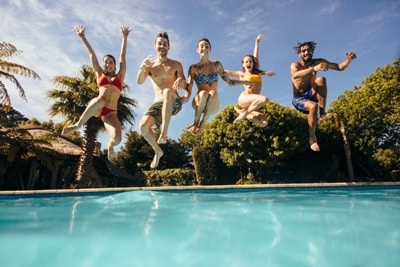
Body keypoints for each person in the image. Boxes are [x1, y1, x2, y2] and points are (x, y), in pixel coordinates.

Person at [62, 25, 132, 160]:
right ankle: (78, 125)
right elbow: (91, 54)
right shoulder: (99, 74)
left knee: (117, 139)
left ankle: (110, 146)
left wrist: (125, 37)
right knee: (100, 100)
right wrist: (82, 37)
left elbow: (123, 56)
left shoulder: (120, 77)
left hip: (110, 113)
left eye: (111, 62)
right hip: (99, 107)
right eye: (106, 62)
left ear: (114, 65)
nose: (108, 64)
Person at [291, 41, 357, 151]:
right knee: (313, 106)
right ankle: (312, 139)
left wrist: (348, 60)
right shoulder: (296, 65)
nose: (306, 52)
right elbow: (295, 75)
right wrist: (313, 69)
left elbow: (339, 67)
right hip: (299, 98)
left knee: (321, 80)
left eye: (308, 50)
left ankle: (322, 114)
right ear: (300, 54)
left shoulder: (318, 62)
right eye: (303, 51)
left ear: (312, 51)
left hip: (311, 93)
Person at [137, 32, 189, 169]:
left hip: (174, 102)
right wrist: (142, 68)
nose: (162, 46)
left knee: (167, 91)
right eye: (159, 43)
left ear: (169, 47)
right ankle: (158, 151)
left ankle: (163, 132)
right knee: (143, 127)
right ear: (155, 46)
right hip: (158, 103)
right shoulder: (150, 67)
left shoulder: (176, 64)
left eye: (165, 44)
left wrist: (180, 81)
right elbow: (139, 81)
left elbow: (185, 84)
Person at [187, 38, 249, 135]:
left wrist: (245, 82)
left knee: (213, 92)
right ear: (197, 50)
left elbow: (229, 82)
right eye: (201, 46)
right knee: (203, 93)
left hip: (213, 103)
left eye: (206, 46)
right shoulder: (193, 68)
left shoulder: (217, 65)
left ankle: (202, 125)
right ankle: (195, 123)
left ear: (210, 50)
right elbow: (188, 87)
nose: (204, 48)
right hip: (198, 103)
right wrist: (180, 84)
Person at [225, 34, 275, 126]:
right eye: (246, 62)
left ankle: (244, 113)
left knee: (264, 123)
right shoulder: (241, 74)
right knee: (265, 99)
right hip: (245, 98)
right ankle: (245, 113)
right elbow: (228, 72)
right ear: (243, 64)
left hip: (254, 102)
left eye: (250, 61)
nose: (249, 63)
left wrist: (257, 42)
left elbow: (256, 55)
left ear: (253, 63)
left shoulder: (256, 72)